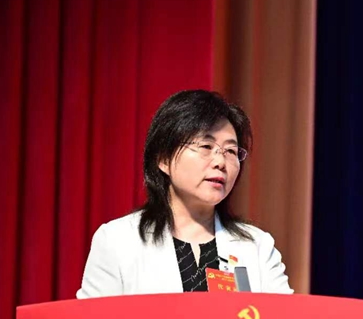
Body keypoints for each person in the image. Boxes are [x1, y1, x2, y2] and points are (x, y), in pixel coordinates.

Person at [77, 89, 293, 298]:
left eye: (230, 151)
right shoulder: (118, 240)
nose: (220, 162)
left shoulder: (257, 246)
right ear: (163, 158)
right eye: (206, 146)